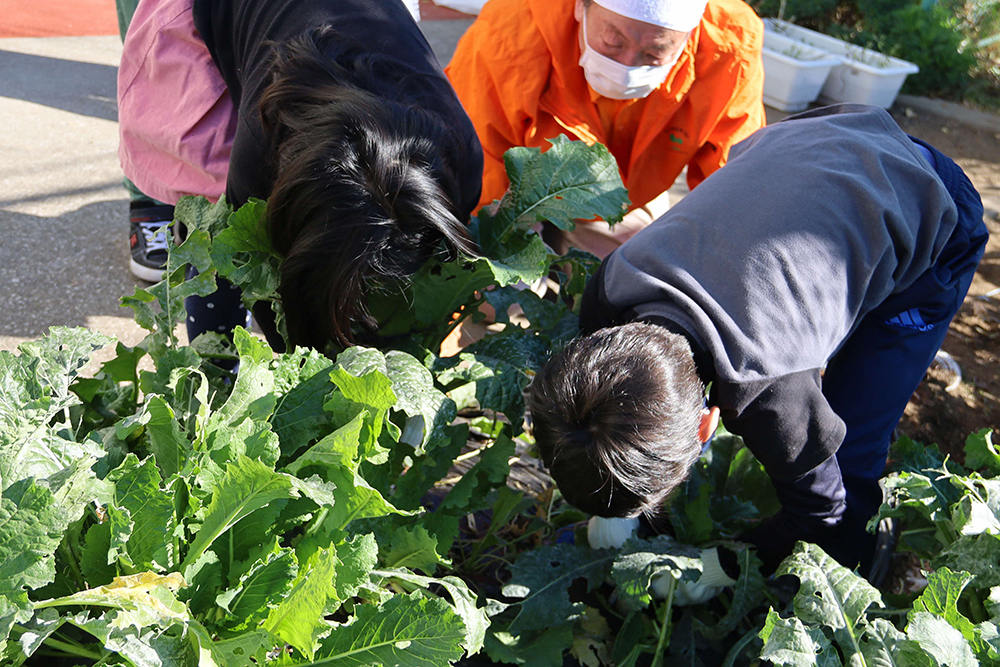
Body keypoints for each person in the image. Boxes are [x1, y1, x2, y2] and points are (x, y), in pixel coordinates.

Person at [526, 104, 989, 577]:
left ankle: (856, 564)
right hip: (810, 139)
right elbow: (606, 415)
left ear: (707, 426)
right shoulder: (610, 291)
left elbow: (823, 511)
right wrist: (607, 508)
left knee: (851, 444)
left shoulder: (769, 390)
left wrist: (726, 565)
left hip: (936, 205)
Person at [117, 0, 483, 351]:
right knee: (215, 233)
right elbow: (269, 295)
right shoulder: (258, 159)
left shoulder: (460, 154)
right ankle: (213, 367)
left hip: (338, 30)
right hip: (217, 13)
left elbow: (445, 272)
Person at [445, 0, 766, 258]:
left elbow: (735, 182)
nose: (628, 64)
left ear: (690, 35)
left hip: (622, 197)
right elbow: (472, 158)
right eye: (613, 41)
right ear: (580, 6)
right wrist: (494, 247)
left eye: (654, 53)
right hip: (508, 192)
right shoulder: (510, 27)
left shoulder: (731, 43)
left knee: (629, 287)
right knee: (494, 299)